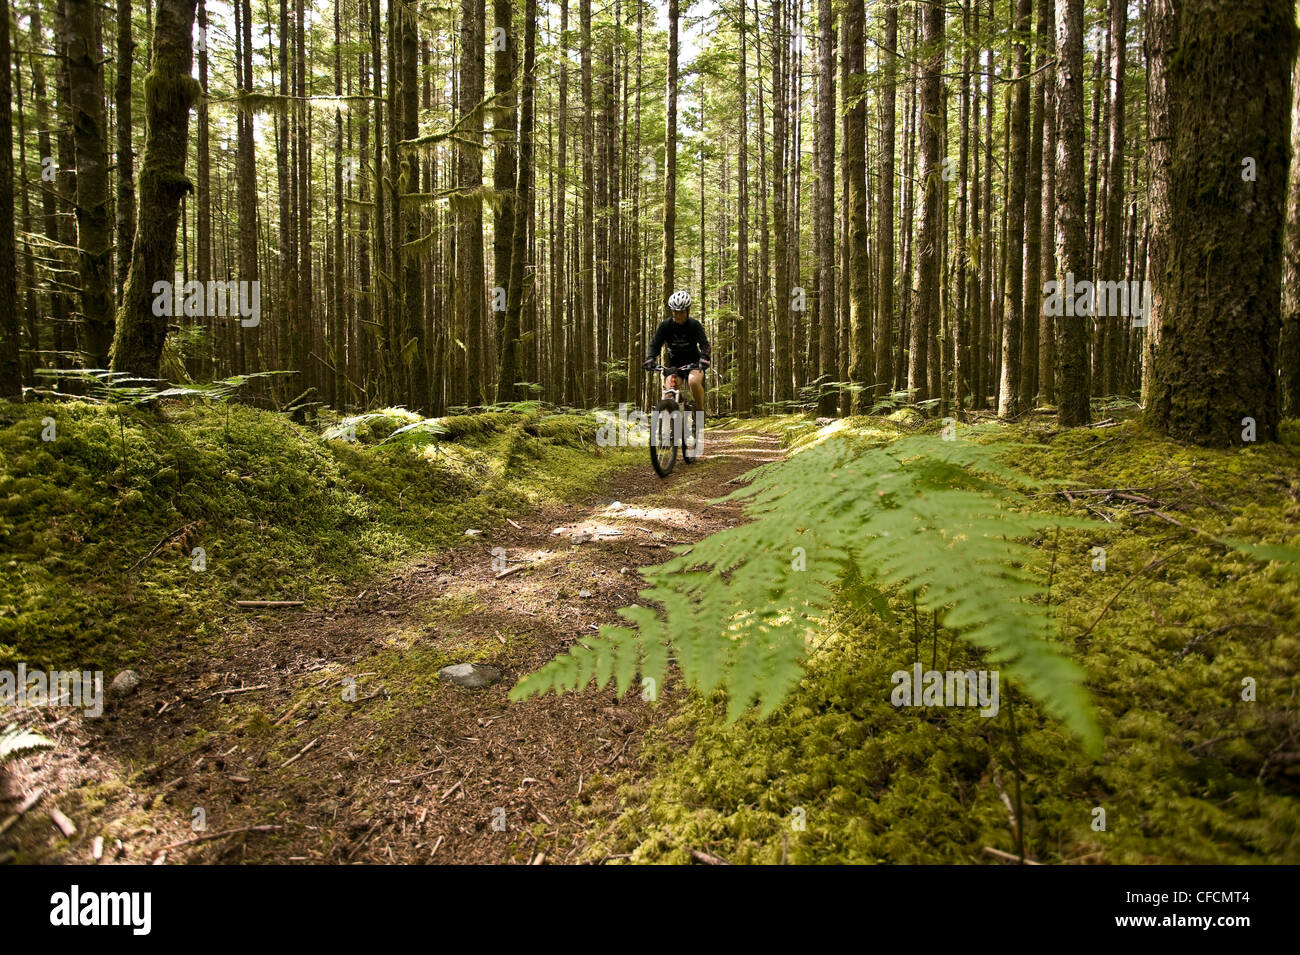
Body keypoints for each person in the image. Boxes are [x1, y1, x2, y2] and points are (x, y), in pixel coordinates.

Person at [642, 290, 710, 417]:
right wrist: (650, 358)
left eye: (681, 312)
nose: (678, 315)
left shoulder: (694, 325)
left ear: (687, 311)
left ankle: (700, 412)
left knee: (693, 382)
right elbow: (655, 344)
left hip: (694, 364)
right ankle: (672, 426)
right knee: (669, 393)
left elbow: (705, 344)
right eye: (675, 312)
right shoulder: (665, 326)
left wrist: (704, 358)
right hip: (674, 365)